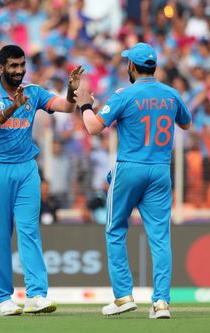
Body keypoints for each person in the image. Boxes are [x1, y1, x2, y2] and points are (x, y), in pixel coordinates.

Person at [74, 43, 192, 319]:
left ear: (132, 67)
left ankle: (123, 296)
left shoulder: (124, 95)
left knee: (116, 229)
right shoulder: (171, 94)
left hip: (130, 168)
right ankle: (161, 302)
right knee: (160, 238)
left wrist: (85, 104)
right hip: (161, 169)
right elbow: (185, 123)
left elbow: (92, 127)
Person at [0, 44, 83, 316]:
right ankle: (2, 299)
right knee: (0, 235)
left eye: (22, 65)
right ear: (0, 68)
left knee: (29, 231)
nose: (19, 71)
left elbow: (67, 107)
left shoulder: (33, 92)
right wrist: (13, 107)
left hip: (26, 169)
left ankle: (36, 295)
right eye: (13, 66)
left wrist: (72, 90)